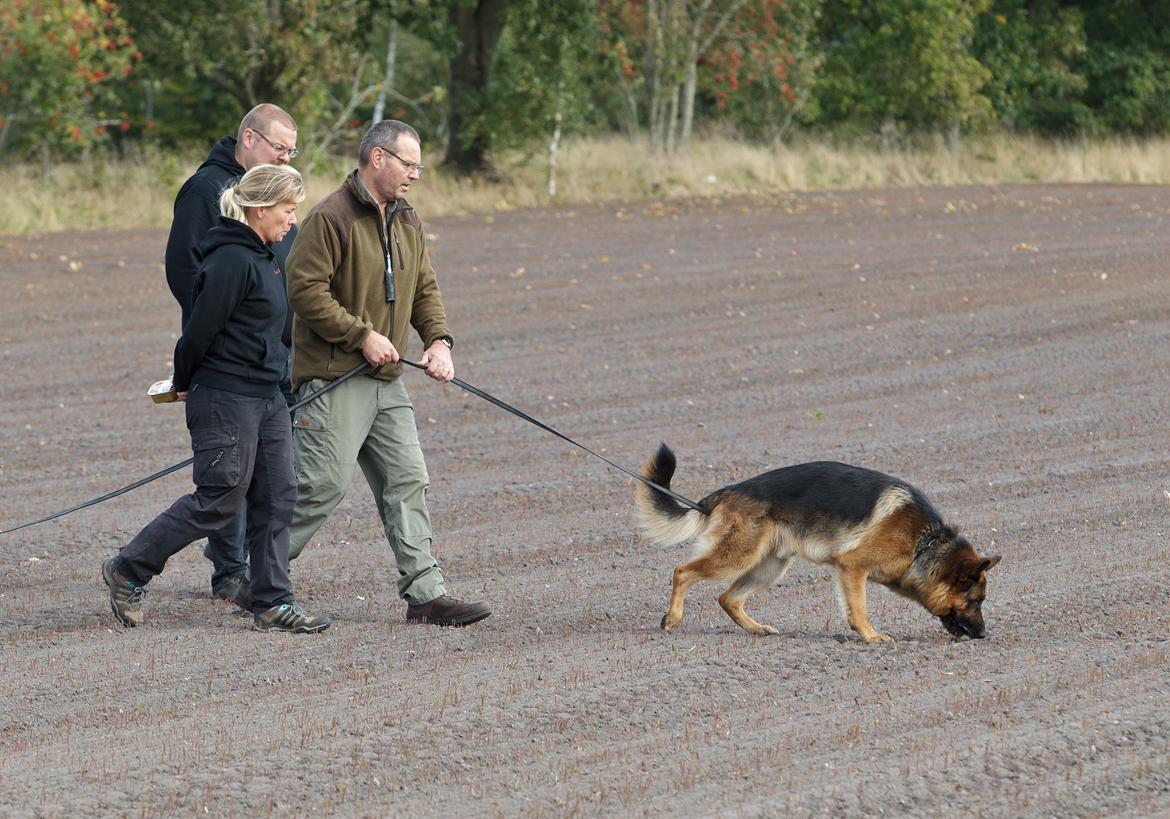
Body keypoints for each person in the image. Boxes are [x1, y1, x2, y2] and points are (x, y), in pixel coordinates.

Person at [103, 164, 330, 634]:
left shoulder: (266, 257)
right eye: (288, 211)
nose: (292, 222)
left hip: (267, 397)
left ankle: (271, 600)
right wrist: (183, 380)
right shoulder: (230, 260)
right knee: (220, 498)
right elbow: (198, 332)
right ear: (261, 208)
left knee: (279, 493)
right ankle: (129, 568)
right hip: (225, 396)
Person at [284, 119, 491, 627]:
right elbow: (304, 289)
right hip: (333, 377)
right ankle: (256, 572)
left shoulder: (408, 219)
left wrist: (438, 341)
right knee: (321, 486)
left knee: (408, 479)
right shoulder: (329, 217)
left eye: (419, 165)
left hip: (387, 381)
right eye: (409, 163)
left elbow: (424, 286)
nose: (416, 175)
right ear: (378, 158)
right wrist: (362, 336)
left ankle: (425, 594)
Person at [163, 103, 300, 610]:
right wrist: (232, 332)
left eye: (291, 151)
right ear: (248, 139)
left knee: (274, 477)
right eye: (278, 148)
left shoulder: (275, 197)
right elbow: (185, 272)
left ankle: (261, 583)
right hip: (228, 362)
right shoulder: (206, 191)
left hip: (272, 357)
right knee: (229, 476)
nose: (285, 159)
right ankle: (230, 573)